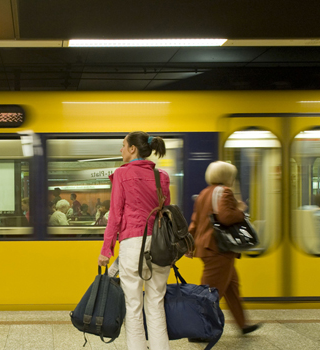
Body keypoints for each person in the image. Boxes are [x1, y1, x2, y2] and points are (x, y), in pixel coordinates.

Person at [98, 131, 171, 350]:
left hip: (133, 244)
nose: (120, 150)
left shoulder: (122, 175)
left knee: (133, 304)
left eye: (123, 145)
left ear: (133, 149)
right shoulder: (162, 176)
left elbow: (116, 215)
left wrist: (106, 250)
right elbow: (165, 212)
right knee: (156, 302)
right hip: (160, 244)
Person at [188, 161, 261, 339]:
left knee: (231, 287)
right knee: (210, 293)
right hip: (218, 249)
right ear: (228, 177)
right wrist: (241, 211)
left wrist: (190, 244)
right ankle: (198, 330)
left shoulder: (204, 193)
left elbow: (195, 222)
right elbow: (226, 217)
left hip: (208, 247)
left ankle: (242, 324)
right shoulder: (225, 192)